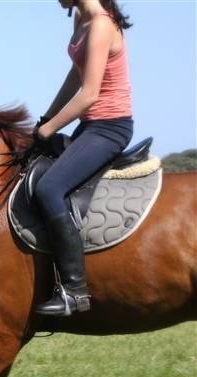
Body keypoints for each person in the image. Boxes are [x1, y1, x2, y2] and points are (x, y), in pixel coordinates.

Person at [33, 0, 134, 316]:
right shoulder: (81, 18)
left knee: (49, 189)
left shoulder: (102, 25)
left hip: (110, 128)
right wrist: (46, 118)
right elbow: (75, 77)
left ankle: (75, 291)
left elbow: (89, 93)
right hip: (90, 126)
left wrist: (50, 128)